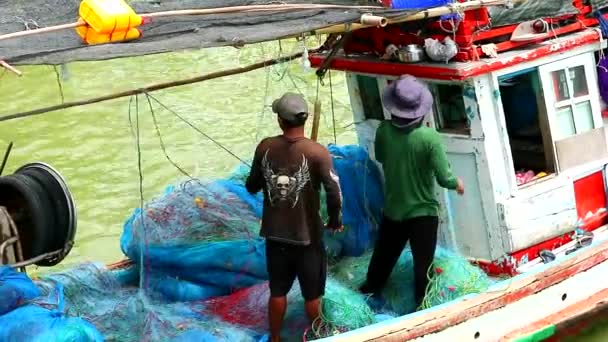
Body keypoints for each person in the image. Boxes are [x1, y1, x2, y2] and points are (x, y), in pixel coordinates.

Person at [359, 75, 464, 311]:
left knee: (382, 260)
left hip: (394, 209)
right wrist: (457, 183)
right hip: (423, 214)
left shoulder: (384, 131)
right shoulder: (430, 137)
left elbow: (382, 157)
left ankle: (369, 293)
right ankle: (423, 306)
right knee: (423, 266)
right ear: (421, 111)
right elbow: (443, 177)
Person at [245, 92, 343, 342]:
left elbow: (251, 186)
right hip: (307, 237)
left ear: (280, 121)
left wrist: (266, 181)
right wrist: (335, 220)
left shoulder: (265, 147)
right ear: (305, 120)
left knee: (277, 292)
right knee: (312, 295)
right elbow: (334, 191)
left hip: (275, 235)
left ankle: (275, 338)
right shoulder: (318, 152)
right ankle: (320, 336)